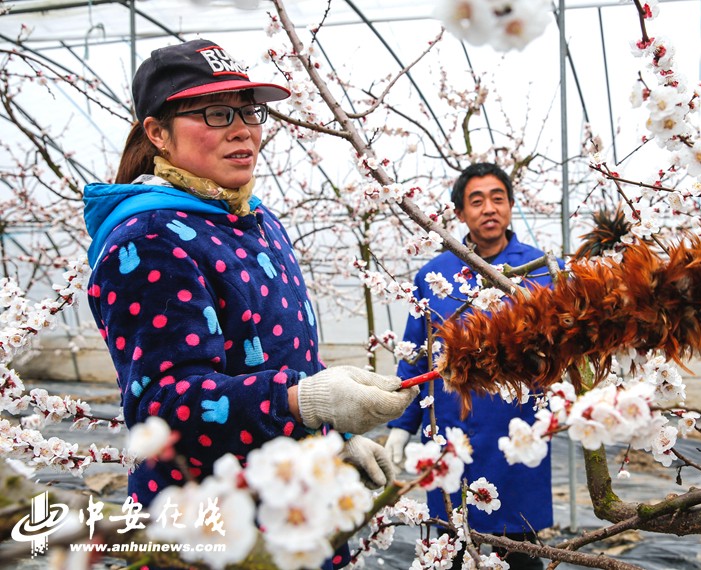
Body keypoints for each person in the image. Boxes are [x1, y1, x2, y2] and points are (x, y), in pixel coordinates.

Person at [82, 39, 417, 569]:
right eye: (216, 113)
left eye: (250, 111)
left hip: (293, 507)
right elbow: (166, 408)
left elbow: (286, 361)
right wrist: (303, 403)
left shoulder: (255, 220)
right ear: (157, 134)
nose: (242, 129)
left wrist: (333, 436)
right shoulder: (149, 240)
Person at [385, 163, 553, 569]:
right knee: (451, 543)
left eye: (498, 198)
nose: (489, 208)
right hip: (449, 432)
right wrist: (399, 427)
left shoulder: (541, 271)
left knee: (519, 548)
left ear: (511, 206)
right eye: (476, 201)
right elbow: (415, 359)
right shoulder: (433, 276)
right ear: (459, 213)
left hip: (516, 431)